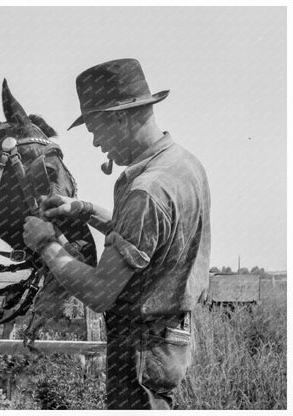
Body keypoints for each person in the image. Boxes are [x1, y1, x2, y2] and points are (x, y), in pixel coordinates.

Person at [23, 58, 211, 410]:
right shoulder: (182, 165)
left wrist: (46, 243)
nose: (95, 142)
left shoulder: (147, 190)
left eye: (95, 128)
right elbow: (148, 239)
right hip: (166, 343)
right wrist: (84, 209)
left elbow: (98, 293)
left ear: (120, 117)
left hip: (139, 348)